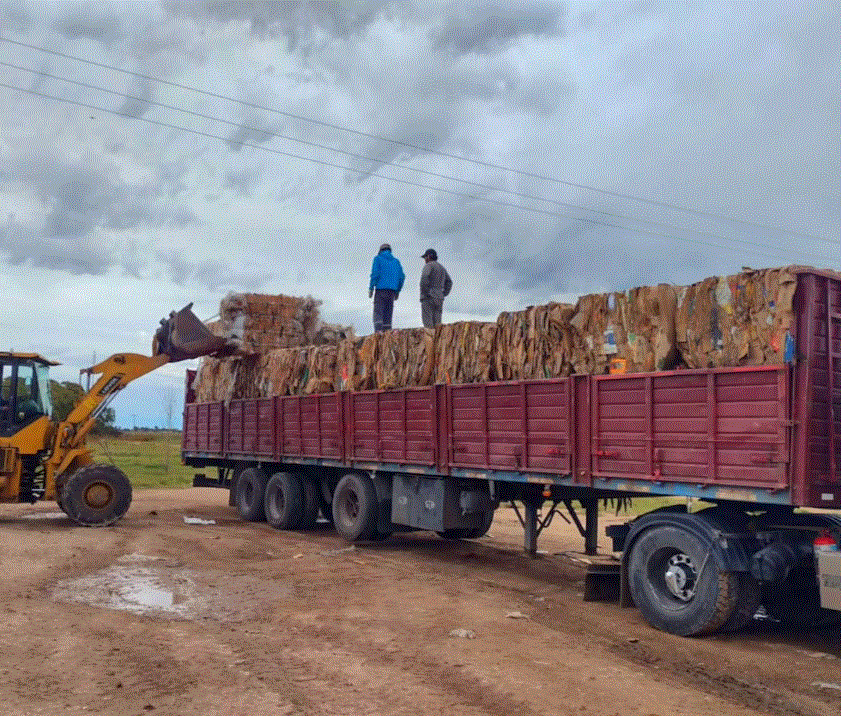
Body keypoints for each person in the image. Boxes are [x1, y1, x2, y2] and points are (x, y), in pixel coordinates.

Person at [368, 243, 405, 332]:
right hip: (392, 291)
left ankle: (378, 333)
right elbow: (401, 277)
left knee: (378, 311)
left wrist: (371, 287)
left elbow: (375, 274)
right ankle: (387, 333)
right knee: (388, 313)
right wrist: (398, 291)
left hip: (381, 290)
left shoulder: (378, 259)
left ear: (380, 251)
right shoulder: (396, 262)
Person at [419, 248, 452, 328]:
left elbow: (424, 278)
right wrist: (443, 294)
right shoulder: (442, 268)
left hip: (428, 297)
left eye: (425, 257)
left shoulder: (428, 265)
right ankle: (437, 340)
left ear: (429, 257)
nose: (425, 260)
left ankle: (430, 340)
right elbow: (449, 282)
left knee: (428, 324)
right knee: (438, 325)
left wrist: (425, 292)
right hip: (439, 298)